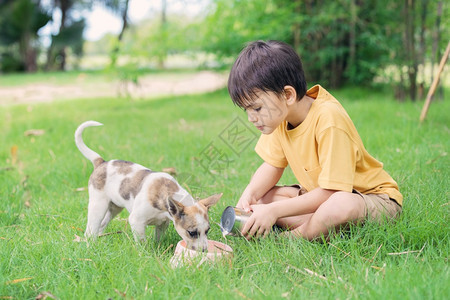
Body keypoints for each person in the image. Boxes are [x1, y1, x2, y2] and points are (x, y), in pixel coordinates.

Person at [227, 40, 403, 240]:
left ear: (288, 95)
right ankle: (321, 224)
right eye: (246, 110)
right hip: (322, 199)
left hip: (370, 200)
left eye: (257, 108)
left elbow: (333, 192)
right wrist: (250, 194)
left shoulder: (328, 118)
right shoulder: (280, 119)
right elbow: (272, 166)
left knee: (340, 204)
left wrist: (275, 211)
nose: (251, 118)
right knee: (263, 197)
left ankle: (291, 238)